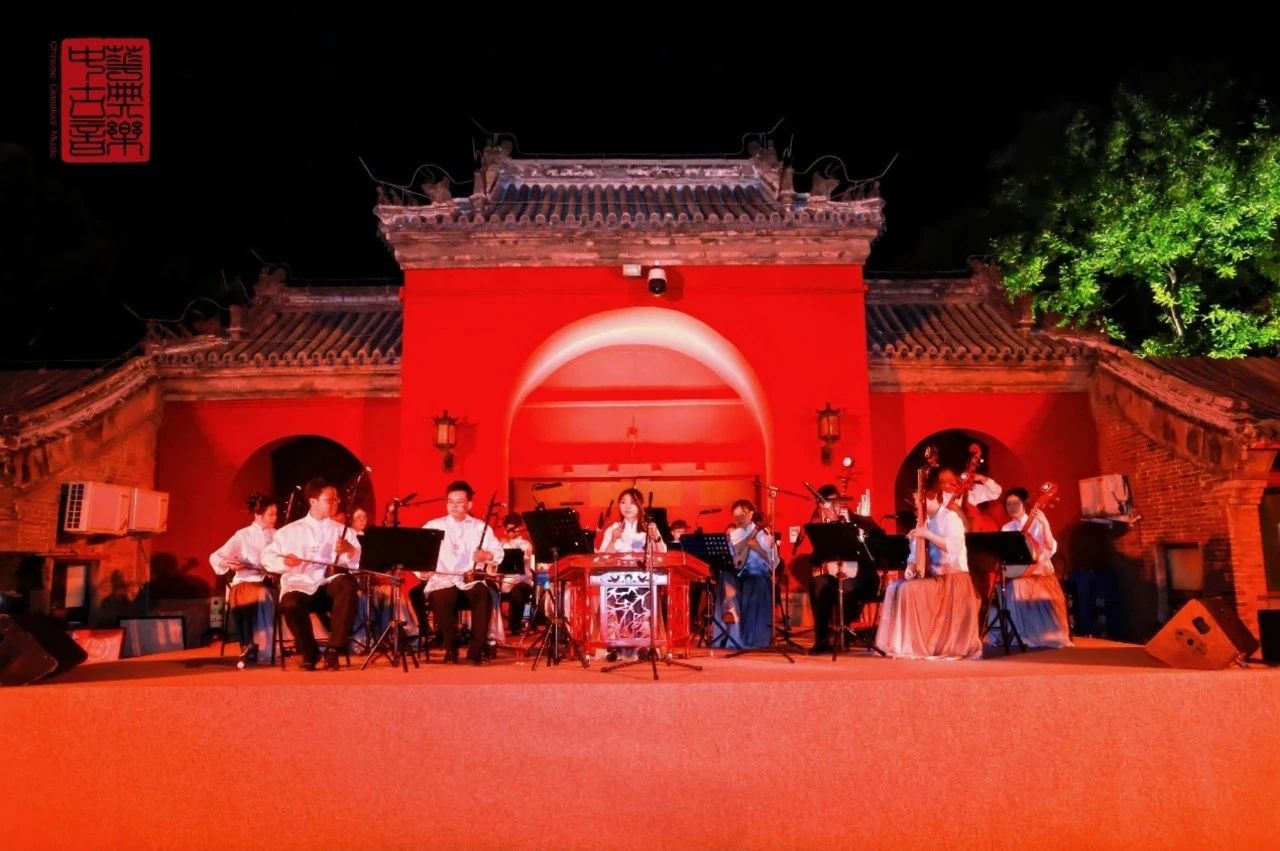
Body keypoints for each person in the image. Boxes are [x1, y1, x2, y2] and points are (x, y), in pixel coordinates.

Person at [260, 479, 361, 670]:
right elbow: (267, 557)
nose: (336, 503)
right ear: (313, 501)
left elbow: (356, 564)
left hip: (326, 587)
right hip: (299, 586)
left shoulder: (342, 530)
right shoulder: (288, 531)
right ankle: (310, 652)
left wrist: (349, 550)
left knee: (348, 583)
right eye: (330, 499)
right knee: (290, 603)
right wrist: (284, 562)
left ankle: (333, 649)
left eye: (337, 499)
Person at [874, 486, 982, 660]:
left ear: (934, 499)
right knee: (894, 587)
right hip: (933, 577)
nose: (917, 505)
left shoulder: (950, 518)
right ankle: (898, 644)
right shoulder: (924, 522)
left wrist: (927, 534)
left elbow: (952, 547)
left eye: (920, 500)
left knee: (908, 590)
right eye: (916, 501)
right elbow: (914, 554)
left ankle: (914, 645)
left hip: (953, 579)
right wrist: (910, 567)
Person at [413, 481, 500, 665]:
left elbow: (498, 553)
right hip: (443, 580)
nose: (454, 505)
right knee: (442, 596)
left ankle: (476, 651)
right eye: (450, 501)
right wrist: (422, 571)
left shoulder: (480, 527)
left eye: (459, 502)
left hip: (470, 580)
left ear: (469, 504)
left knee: (483, 593)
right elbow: (417, 553)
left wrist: (487, 555)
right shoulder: (433, 525)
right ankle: (450, 648)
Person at [807, 484, 879, 655]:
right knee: (817, 583)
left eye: (832, 505)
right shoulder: (824, 528)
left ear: (840, 503)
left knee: (847, 586)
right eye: (824, 508)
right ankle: (822, 639)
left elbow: (876, 551)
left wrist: (855, 532)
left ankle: (843, 635)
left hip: (862, 576)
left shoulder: (863, 521)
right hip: (837, 576)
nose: (828, 511)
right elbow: (815, 559)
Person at [209, 492, 278, 666]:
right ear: (258, 514)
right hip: (246, 580)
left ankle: (261, 644)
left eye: (276, 514)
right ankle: (248, 643)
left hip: (270, 582)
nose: (275, 518)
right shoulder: (242, 536)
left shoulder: (278, 535)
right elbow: (215, 557)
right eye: (271, 514)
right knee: (249, 593)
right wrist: (229, 564)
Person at [998, 487, 1071, 648]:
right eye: (1008, 504)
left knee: (1018, 586)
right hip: (1019, 574)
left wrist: (1045, 523)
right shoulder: (1007, 528)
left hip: (1040, 572)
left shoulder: (1037, 522)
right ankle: (1018, 634)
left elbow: (1050, 547)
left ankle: (1037, 634)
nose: (1012, 507)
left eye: (1016, 503)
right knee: (1006, 586)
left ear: (1024, 504)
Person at [714, 499, 776, 649]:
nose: (738, 518)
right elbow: (731, 560)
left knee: (754, 580)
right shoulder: (734, 534)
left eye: (742, 514)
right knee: (725, 577)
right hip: (738, 575)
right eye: (735, 516)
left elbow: (774, 562)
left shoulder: (763, 533)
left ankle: (751, 638)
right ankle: (732, 630)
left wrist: (758, 548)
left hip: (757, 575)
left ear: (751, 514)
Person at [497, 513, 536, 637]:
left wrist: (508, 543)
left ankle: (515, 625)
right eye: (509, 530)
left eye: (514, 529)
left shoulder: (525, 544)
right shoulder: (500, 544)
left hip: (523, 581)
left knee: (517, 593)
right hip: (505, 583)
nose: (512, 532)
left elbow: (523, 556)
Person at [599, 488, 667, 554]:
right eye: (623, 502)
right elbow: (602, 557)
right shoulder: (613, 529)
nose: (628, 506)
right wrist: (612, 540)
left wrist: (655, 535)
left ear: (641, 505)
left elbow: (663, 553)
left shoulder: (649, 527)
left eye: (633, 502)